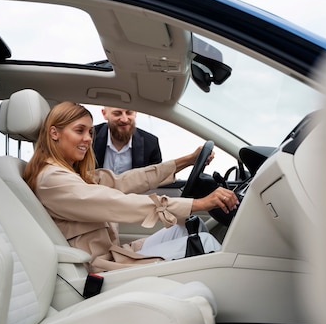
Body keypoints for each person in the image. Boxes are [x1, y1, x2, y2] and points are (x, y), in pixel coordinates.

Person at [23, 101, 238, 272]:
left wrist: (187, 160)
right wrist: (198, 203)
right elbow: (116, 202)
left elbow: (124, 181)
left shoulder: (71, 174)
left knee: (187, 227)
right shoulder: (53, 179)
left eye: (89, 132)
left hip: (114, 253)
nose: (87, 139)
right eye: (80, 131)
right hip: (100, 268)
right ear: (54, 133)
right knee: (206, 242)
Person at [93, 106, 162, 174]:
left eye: (129, 113)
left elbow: (156, 180)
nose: (124, 119)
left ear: (135, 113)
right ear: (104, 114)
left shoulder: (151, 144)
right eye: (117, 113)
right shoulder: (90, 137)